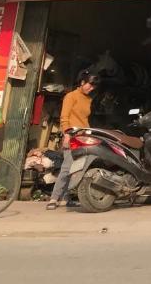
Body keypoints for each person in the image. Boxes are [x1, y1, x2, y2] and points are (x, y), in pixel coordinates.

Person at [47, 72, 99, 210]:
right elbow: (64, 117)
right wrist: (67, 135)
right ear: (82, 82)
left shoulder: (88, 99)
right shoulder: (71, 96)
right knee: (66, 168)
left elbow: (84, 119)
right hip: (72, 136)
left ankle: (65, 198)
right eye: (90, 85)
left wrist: (89, 133)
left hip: (83, 137)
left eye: (94, 87)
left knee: (77, 169)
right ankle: (54, 198)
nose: (91, 88)